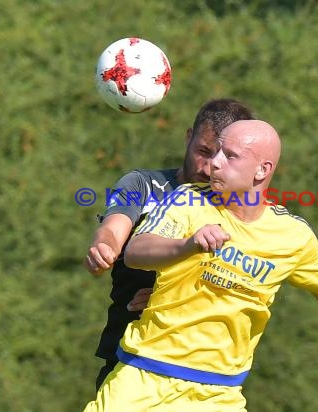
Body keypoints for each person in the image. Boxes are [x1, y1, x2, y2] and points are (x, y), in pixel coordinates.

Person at [83, 119, 318, 411]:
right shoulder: (187, 201)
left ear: (262, 171)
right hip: (144, 377)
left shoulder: (291, 235)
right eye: (213, 153)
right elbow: (137, 250)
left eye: (229, 156)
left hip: (220, 396)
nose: (213, 163)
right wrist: (188, 245)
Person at [85, 98, 255, 390]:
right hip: (129, 359)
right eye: (203, 151)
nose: (208, 166)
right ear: (188, 137)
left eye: (221, 157)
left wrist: (169, 299)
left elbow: (244, 284)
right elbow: (113, 227)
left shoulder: (241, 209)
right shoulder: (142, 185)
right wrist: (104, 247)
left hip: (204, 374)